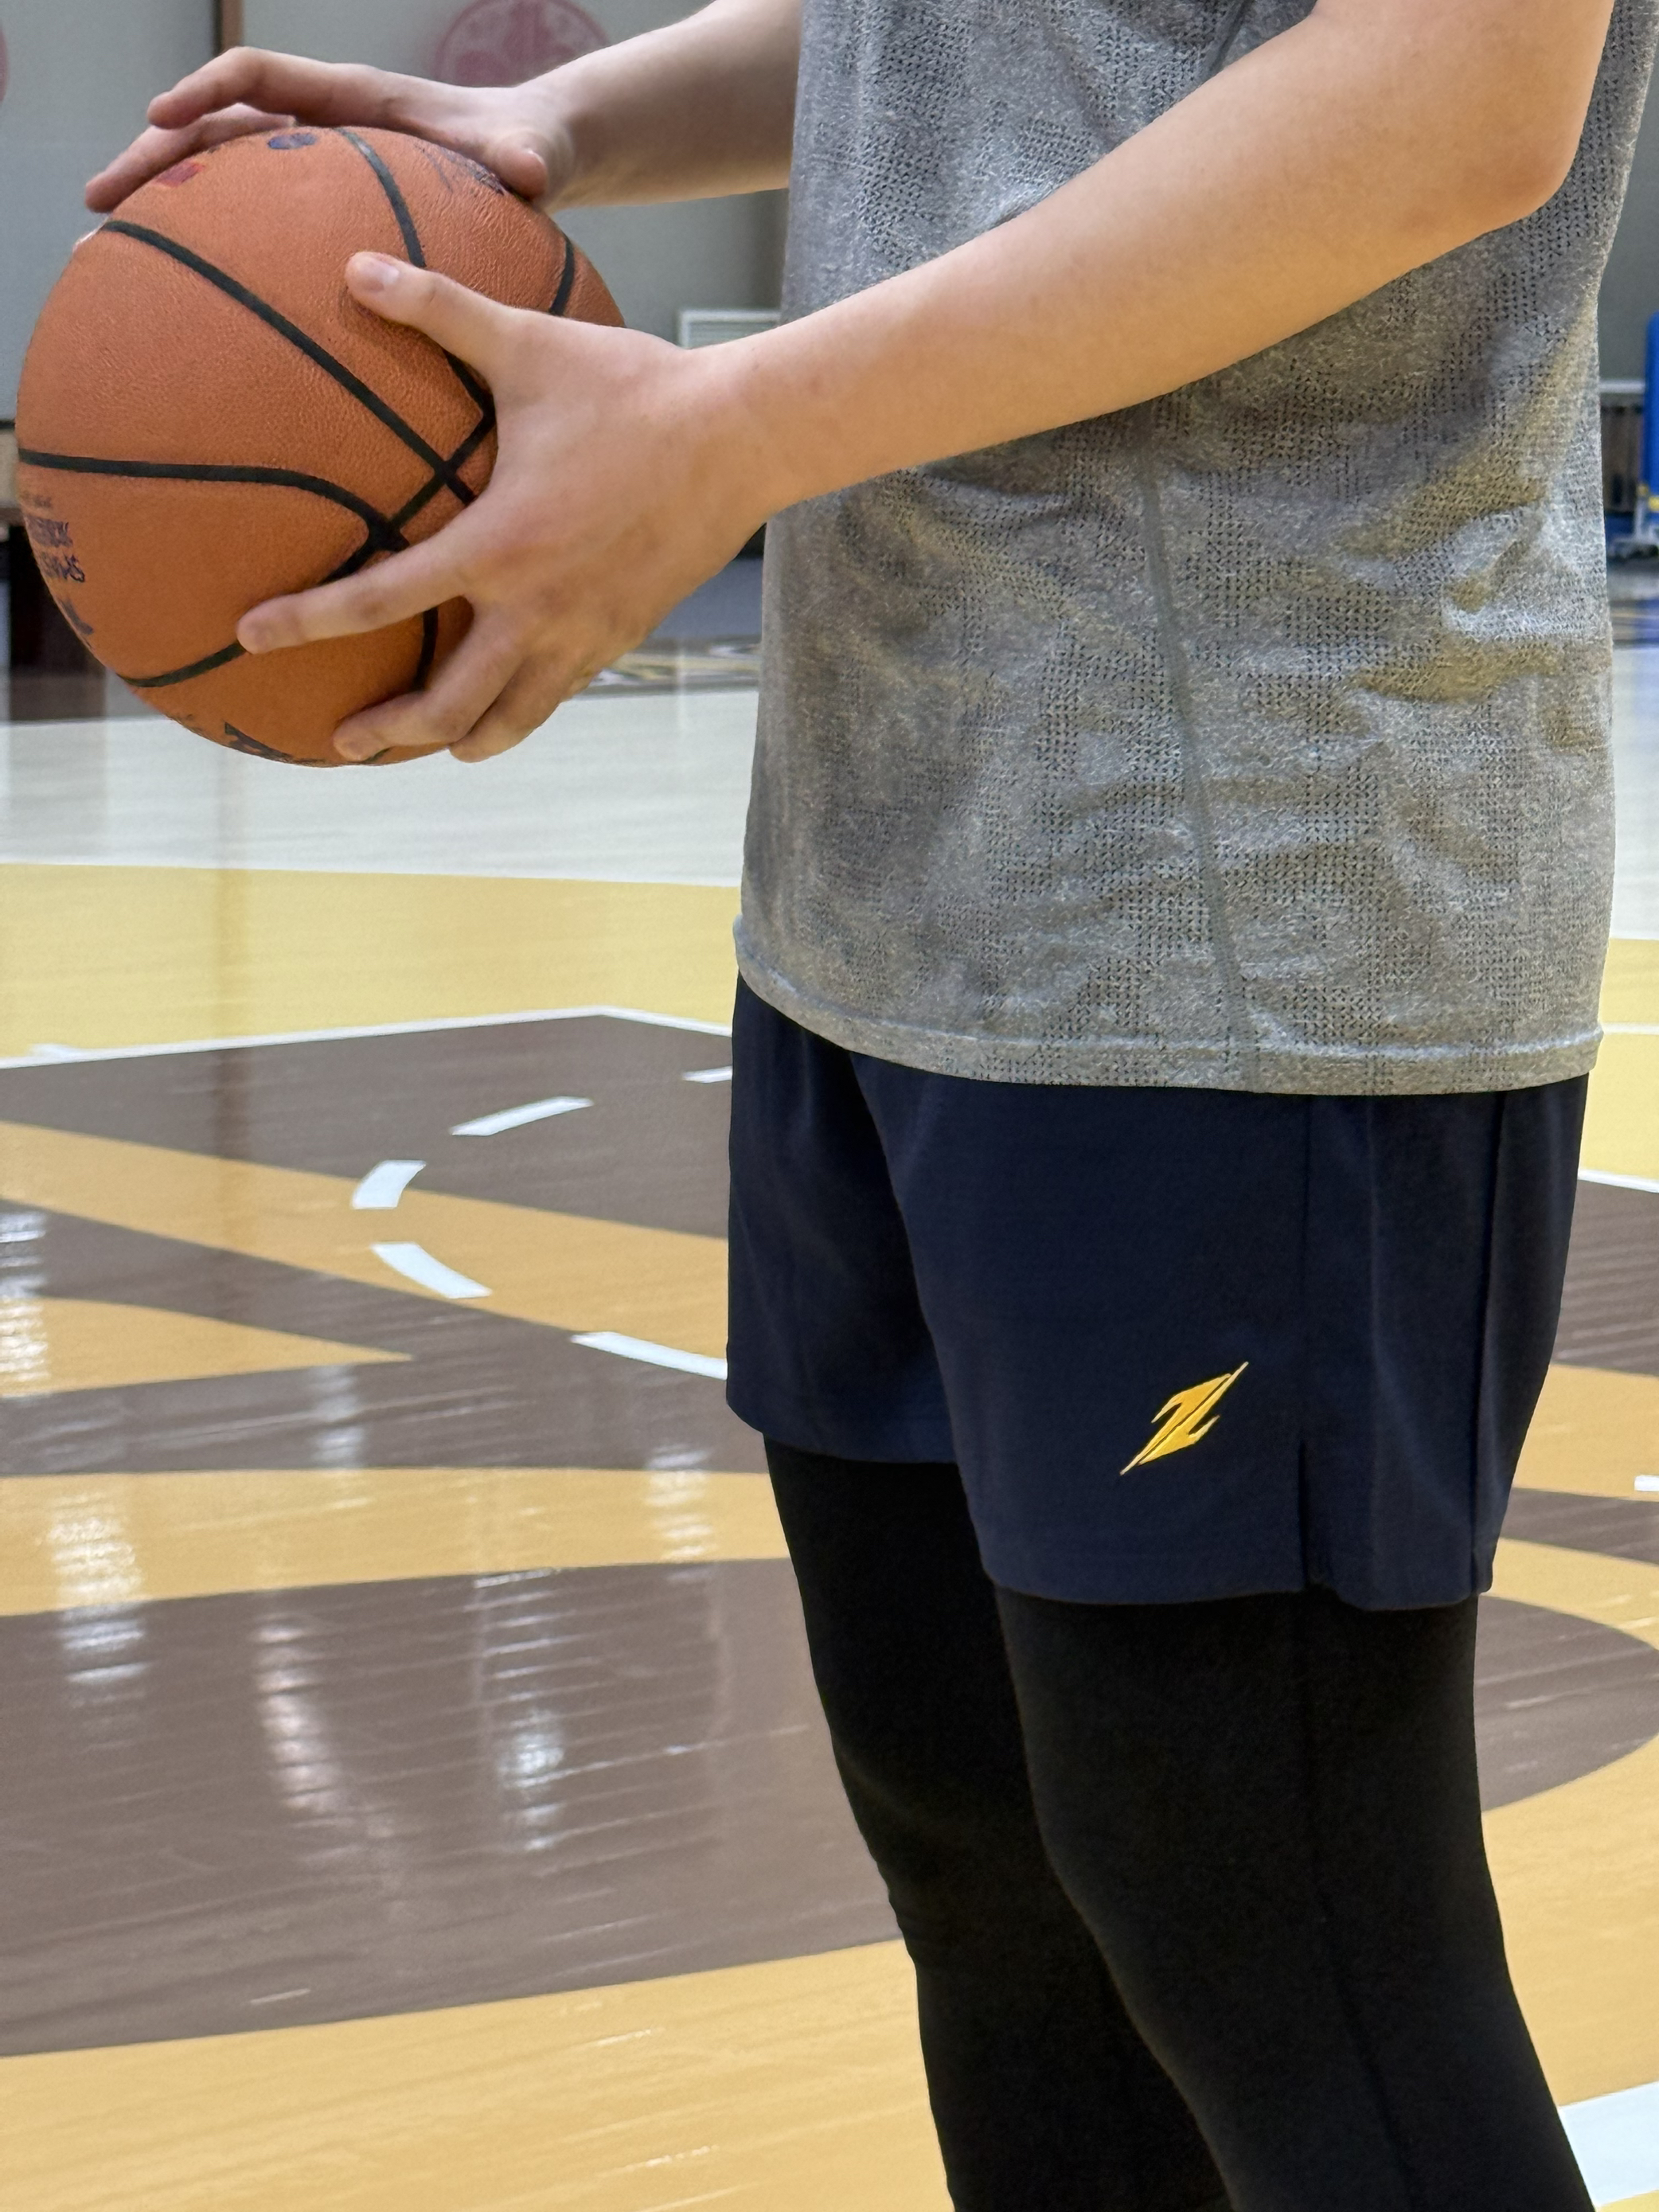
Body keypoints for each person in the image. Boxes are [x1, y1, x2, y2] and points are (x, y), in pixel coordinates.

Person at [95, 5, 1653, 2205]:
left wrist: (725, 430)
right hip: (889, 881)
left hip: (1241, 896)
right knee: (992, 1879)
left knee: (1281, 1937)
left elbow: (1452, 104)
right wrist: (564, 120)